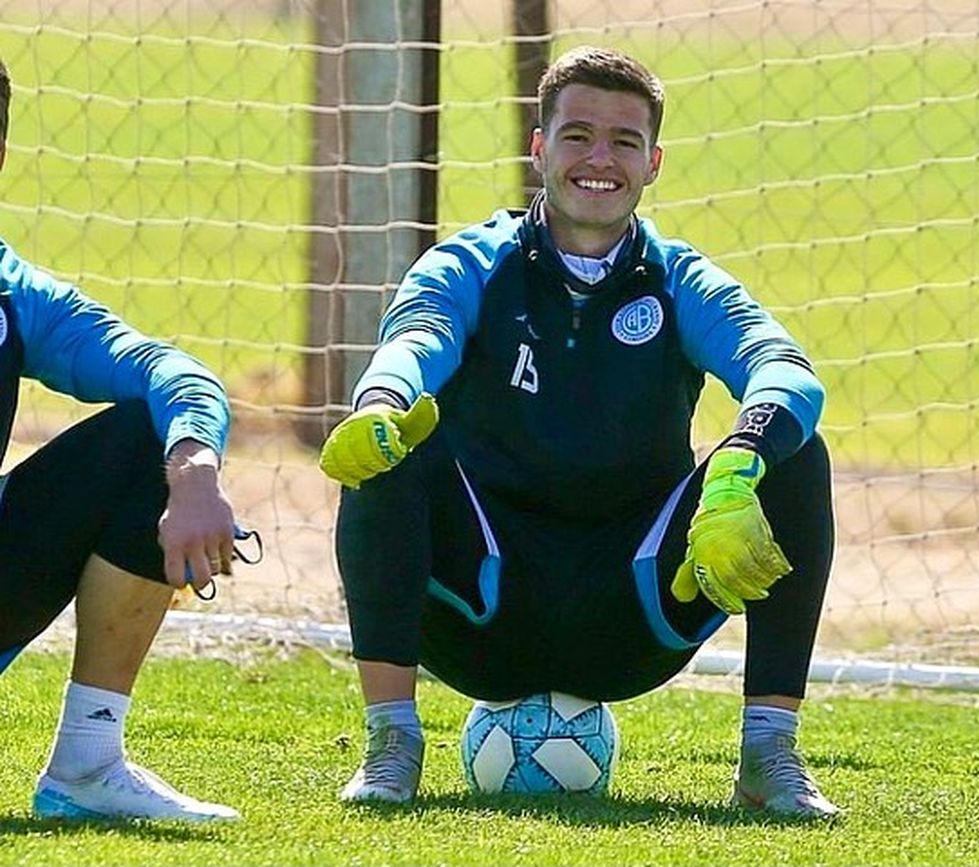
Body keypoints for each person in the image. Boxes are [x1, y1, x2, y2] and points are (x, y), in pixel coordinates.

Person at [319, 46, 839, 819]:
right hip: (480, 608)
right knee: (392, 445)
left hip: (634, 611)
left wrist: (739, 460)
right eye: (578, 136)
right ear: (539, 149)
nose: (601, 159)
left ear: (653, 162)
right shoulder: (473, 260)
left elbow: (784, 367)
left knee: (794, 455)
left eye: (624, 142)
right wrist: (379, 401)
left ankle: (769, 754)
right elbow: (414, 335)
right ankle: (391, 744)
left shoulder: (680, 277)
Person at [0, 59, 240, 822]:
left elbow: (169, 371)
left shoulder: (15, 294)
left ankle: (88, 764)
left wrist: (194, 465)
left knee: (149, 433)